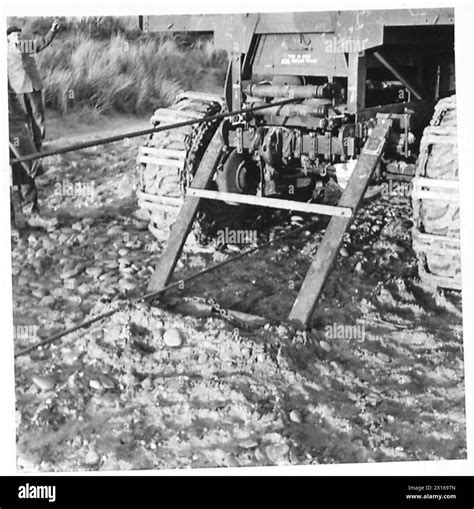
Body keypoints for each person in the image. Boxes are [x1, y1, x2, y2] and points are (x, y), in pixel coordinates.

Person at [9, 81, 57, 231]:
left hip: (13, 122)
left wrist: (20, 114)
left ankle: (32, 214)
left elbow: (10, 93)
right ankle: (8, 223)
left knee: (26, 163)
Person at [7, 20, 60, 152]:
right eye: (14, 35)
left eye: (19, 35)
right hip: (17, 90)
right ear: (8, 38)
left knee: (38, 116)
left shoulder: (26, 46)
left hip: (33, 87)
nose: (17, 37)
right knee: (24, 120)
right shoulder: (5, 52)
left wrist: (53, 30)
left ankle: (38, 145)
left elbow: (43, 43)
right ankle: (29, 149)